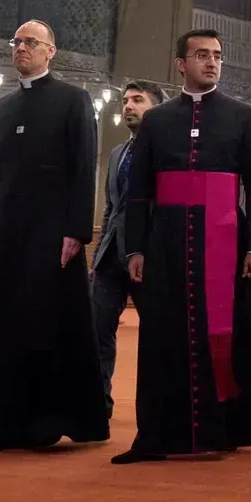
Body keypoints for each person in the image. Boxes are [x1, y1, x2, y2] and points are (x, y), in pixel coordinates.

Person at [116, 30, 251, 463]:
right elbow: (137, 193)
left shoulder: (244, 116)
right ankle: (155, 435)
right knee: (162, 336)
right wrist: (135, 249)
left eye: (218, 56)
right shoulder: (156, 120)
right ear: (180, 64)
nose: (211, 62)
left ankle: (223, 431)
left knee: (224, 334)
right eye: (201, 55)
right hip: (165, 240)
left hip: (226, 235)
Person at [0, 20, 108, 452]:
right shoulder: (2, 109)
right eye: (17, 42)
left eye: (31, 42)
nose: (21, 48)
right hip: (4, 233)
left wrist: (76, 231)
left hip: (51, 234)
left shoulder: (73, 100)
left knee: (45, 324)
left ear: (51, 51)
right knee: (0, 327)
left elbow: (84, 168)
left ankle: (45, 423)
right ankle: (0, 426)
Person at [91, 81, 158, 409]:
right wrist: (98, 256)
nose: (128, 106)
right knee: (97, 329)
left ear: (156, 108)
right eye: (125, 101)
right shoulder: (118, 153)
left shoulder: (166, 152)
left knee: (157, 335)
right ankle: (97, 403)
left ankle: (158, 408)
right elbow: (110, 207)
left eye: (137, 100)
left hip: (149, 257)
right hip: (110, 257)